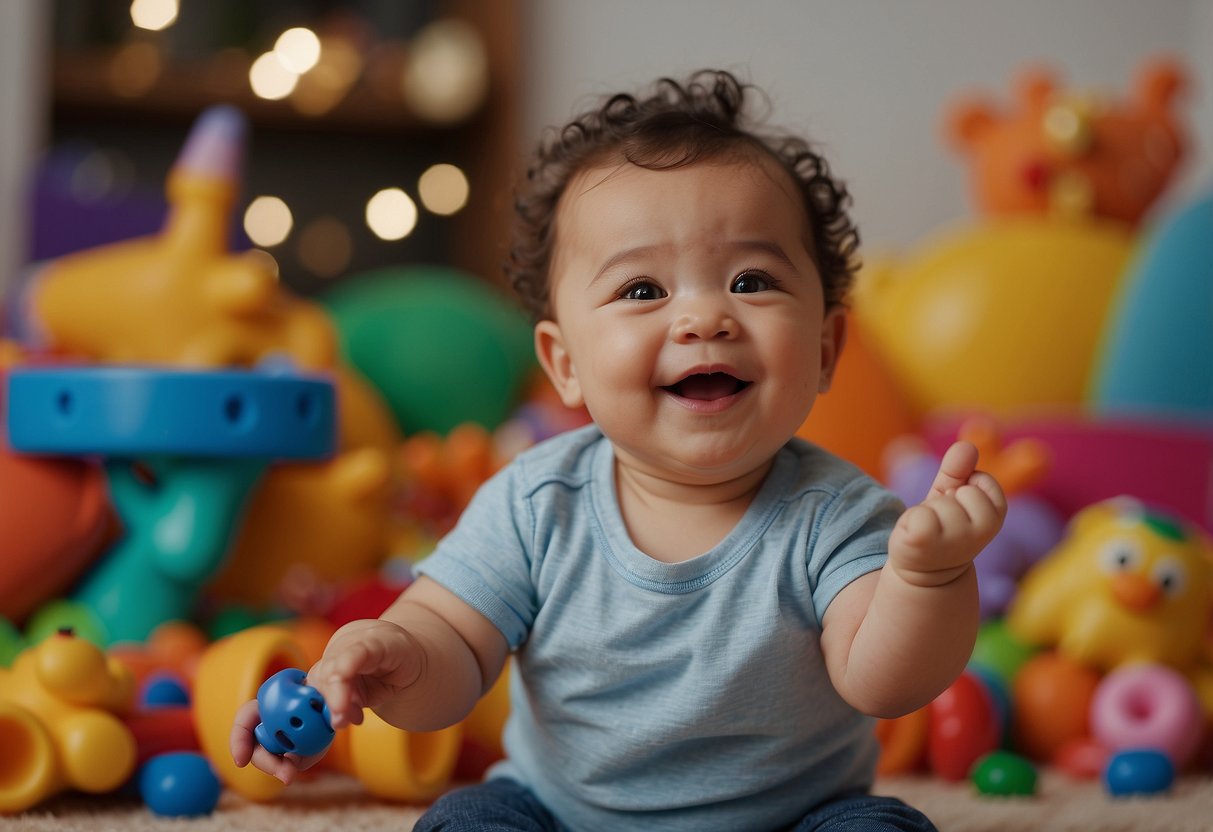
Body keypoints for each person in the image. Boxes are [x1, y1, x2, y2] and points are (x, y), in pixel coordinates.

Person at [231, 69, 1007, 831]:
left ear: (828, 345)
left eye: (749, 279)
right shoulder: (536, 502)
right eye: (642, 291)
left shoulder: (835, 514)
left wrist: (926, 578)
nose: (704, 317)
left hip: (795, 816)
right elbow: (454, 655)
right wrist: (392, 653)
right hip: (559, 814)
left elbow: (882, 681)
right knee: (465, 820)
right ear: (564, 363)